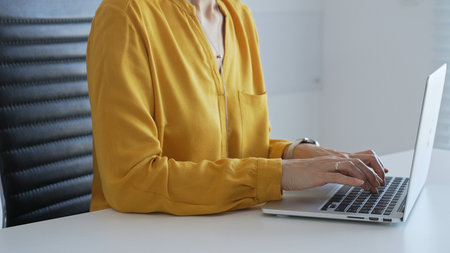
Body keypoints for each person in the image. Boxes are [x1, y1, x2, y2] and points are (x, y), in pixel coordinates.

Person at [87, 0, 388, 215]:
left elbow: (238, 151)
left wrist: (303, 155)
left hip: (228, 230)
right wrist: (280, 175)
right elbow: (130, 180)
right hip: (143, 238)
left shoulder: (239, 17)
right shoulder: (125, 15)